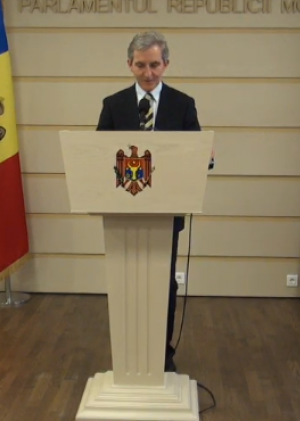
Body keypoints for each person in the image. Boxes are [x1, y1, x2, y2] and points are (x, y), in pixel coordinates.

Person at [96, 31, 212, 372]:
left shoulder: (183, 104)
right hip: (123, 211)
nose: (148, 73)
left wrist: (206, 157)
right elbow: (99, 154)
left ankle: (162, 354)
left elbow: (198, 153)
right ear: (129, 65)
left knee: (163, 283)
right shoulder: (113, 104)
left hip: (166, 211)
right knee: (127, 282)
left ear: (166, 64)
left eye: (155, 65)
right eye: (141, 65)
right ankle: (129, 353)